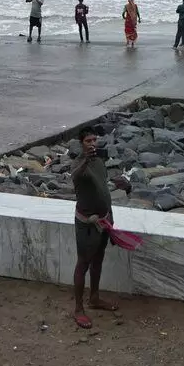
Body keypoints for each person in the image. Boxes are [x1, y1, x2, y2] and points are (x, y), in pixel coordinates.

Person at [71, 126, 133, 329]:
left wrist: (118, 185)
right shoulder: (79, 164)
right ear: (81, 144)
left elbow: (101, 186)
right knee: (83, 263)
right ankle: (78, 309)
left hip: (104, 220)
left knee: (98, 259)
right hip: (87, 223)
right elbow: (76, 177)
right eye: (88, 141)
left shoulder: (99, 162)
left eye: (94, 140)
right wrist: (86, 160)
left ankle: (95, 298)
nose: (92, 144)